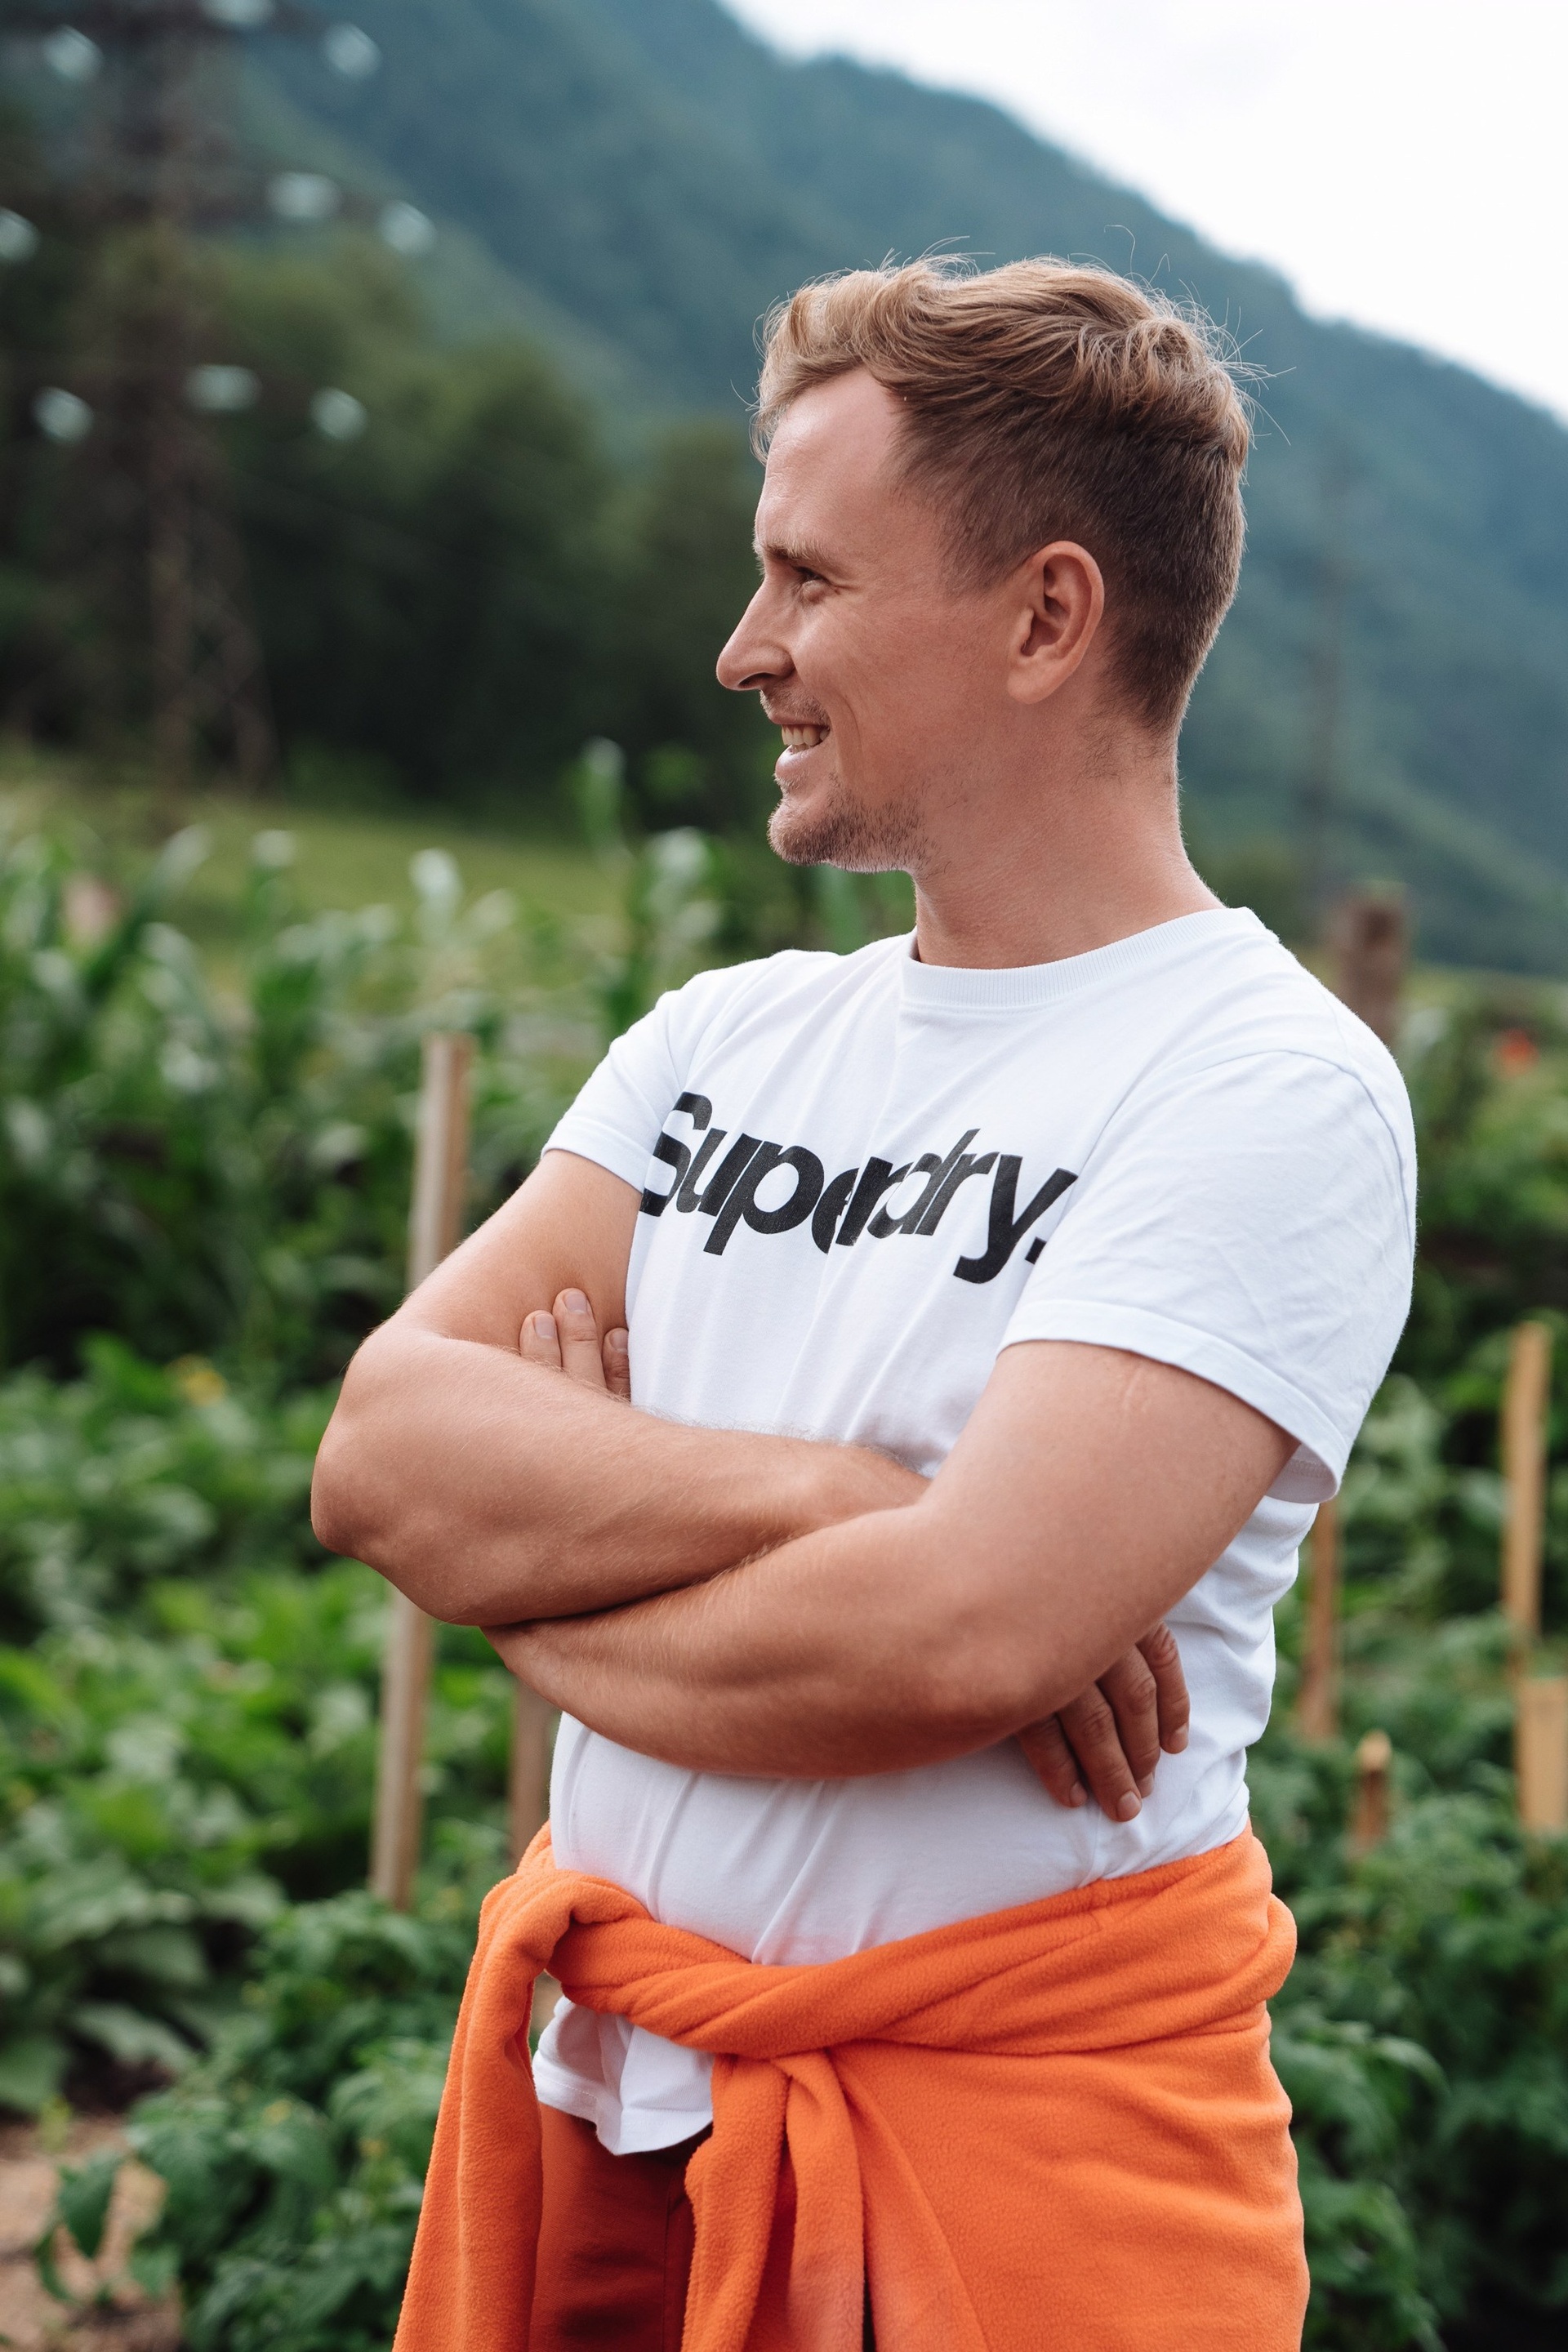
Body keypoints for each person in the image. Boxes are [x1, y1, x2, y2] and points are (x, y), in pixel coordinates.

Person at [312, 257, 1415, 2352]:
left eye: (808, 579)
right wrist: (838, 1498)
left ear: (1047, 618)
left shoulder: (1262, 1083)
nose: (745, 651)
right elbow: (381, 1454)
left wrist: (531, 1575)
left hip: (1017, 2187)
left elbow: (952, 1639)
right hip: (614, 2114)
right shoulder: (724, 1037)